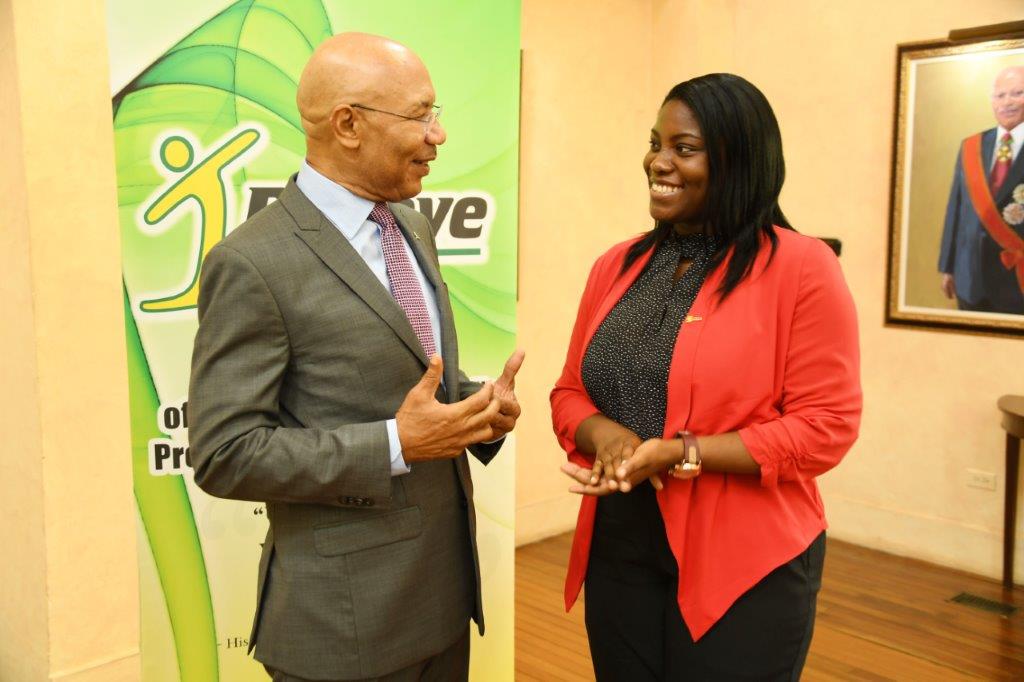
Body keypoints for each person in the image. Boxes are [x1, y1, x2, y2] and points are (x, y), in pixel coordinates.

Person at [188, 32, 524, 682]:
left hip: (445, 601)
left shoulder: (412, 223)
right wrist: (396, 444)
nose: (439, 134)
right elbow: (224, 454)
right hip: (343, 629)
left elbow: (415, 372)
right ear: (348, 124)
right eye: (423, 115)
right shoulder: (253, 263)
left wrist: (477, 406)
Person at [551, 73, 861, 680]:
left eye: (683, 148)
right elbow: (569, 391)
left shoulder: (802, 267)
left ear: (738, 161)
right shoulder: (615, 265)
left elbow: (827, 427)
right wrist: (606, 438)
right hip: (620, 547)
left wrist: (682, 452)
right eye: (654, 142)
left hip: (746, 559)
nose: (657, 162)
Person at [938, 65, 1024, 314]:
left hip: (1015, 280)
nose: (1008, 102)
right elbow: (955, 208)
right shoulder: (971, 146)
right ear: (992, 101)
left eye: (1018, 93)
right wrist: (948, 266)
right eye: (1000, 95)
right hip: (969, 276)